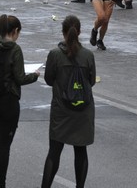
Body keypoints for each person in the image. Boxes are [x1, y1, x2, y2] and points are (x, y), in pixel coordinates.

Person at [0, 14, 39, 188]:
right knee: (3, 146)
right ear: (14, 31)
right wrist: (35, 76)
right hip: (8, 103)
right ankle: (0, 184)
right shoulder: (14, 49)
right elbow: (20, 78)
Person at [41, 15, 96, 188]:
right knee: (81, 151)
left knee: (54, 152)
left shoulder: (55, 55)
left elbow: (49, 79)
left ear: (63, 32)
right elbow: (92, 81)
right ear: (79, 32)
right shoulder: (87, 55)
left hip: (61, 110)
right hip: (83, 110)